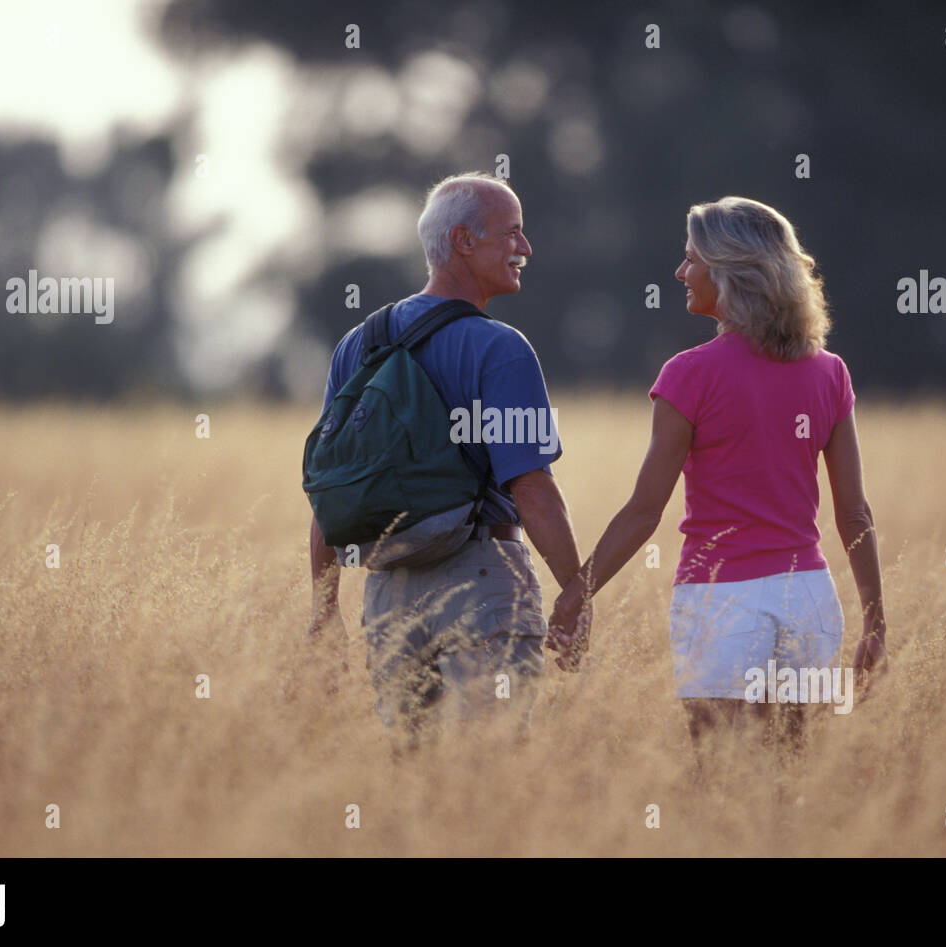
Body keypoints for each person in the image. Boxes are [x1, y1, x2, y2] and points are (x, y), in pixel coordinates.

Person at [546, 195, 887, 771]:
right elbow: (854, 515)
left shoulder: (689, 373)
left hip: (722, 599)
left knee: (721, 777)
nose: (680, 272)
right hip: (809, 598)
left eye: (690, 259)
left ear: (730, 272)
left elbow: (643, 511)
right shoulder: (830, 372)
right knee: (788, 774)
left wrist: (575, 593)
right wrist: (876, 624)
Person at [307, 172, 589, 751]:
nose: (525, 248)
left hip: (388, 591)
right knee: (491, 769)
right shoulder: (502, 347)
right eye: (512, 233)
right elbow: (531, 486)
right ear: (463, 241)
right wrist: (575, 592)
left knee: (415, 777)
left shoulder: (358, 343)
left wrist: (323, 609)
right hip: (483, 581)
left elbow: (332, 490)